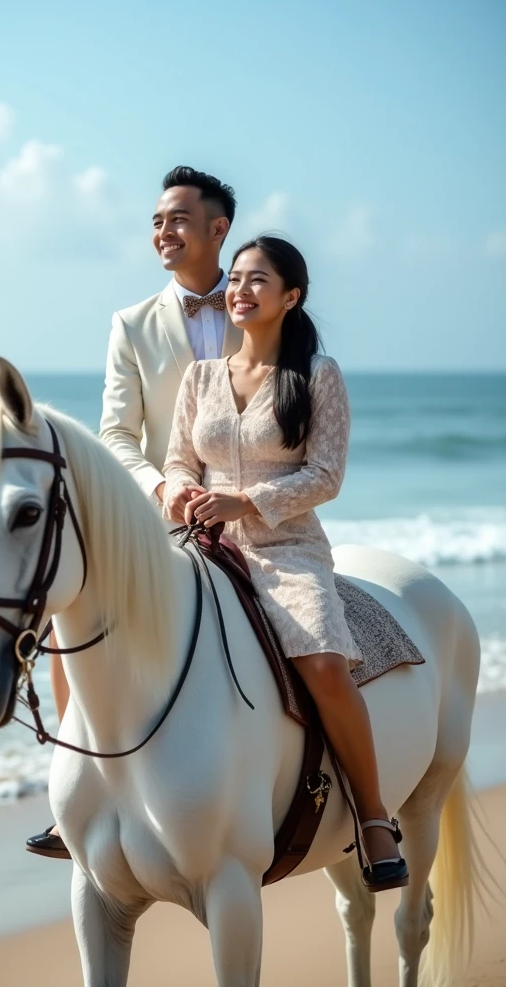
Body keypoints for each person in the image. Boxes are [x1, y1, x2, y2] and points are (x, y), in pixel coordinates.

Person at [162, 235, 409, 893]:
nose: (239, 290)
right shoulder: (201, 376)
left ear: (291, 296)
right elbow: (179, 458)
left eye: (257, 280)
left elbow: (327, 476)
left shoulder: (318, 375)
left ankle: (375, 816)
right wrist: (182, 488)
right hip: (204, 543)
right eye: (235, 279)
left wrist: (246, 499)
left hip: (287, 547)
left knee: (326, 663)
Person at [26, 166, 243, 858]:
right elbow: (115, 432)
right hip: (158, 523)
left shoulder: (261, 307)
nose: (162, 231)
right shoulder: (130, 324)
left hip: (249, 515)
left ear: (219, 228)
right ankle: (79, 791)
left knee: (305, 638)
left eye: (177, 218)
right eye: (156, 221)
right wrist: (160, 489)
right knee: (68, 628)